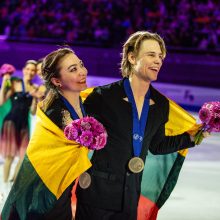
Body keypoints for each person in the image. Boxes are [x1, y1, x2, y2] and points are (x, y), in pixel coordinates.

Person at [75, 31, 209, 220]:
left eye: (160, 56)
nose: (158, 61)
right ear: (131, 57)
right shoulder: (102, 96)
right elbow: (75, 133)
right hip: (96, 195)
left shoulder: (160, 104)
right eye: (151, 55)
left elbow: (157, 145)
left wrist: (193, 137)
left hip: (130, 196)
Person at [1, 47, 92, 219]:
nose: (82, 72)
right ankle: (5, 185)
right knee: (11, 157)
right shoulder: (55, 111)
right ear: (57, 81)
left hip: (62, 190)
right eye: (73, 69)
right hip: (46, 196)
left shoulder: (82, 103)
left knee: (18, 157)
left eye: (81, 65)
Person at [0, 60, 38, 184]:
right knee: (10, 157)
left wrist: (35, 99)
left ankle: (13, 184)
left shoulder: (35, 88)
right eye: (28, 69)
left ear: (36, 73)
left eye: (33, 70)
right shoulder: (15, 83)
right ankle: (4, 185)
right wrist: (4, 83)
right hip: (11, 123)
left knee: (23, 158)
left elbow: (32, 112)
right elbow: (2, 101)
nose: (30, 72)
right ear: (23, 70)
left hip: (24, 125)